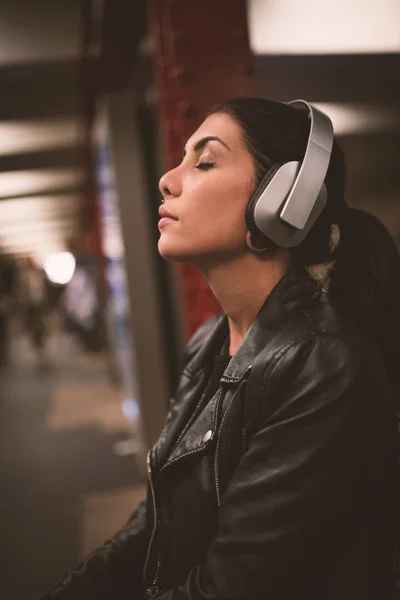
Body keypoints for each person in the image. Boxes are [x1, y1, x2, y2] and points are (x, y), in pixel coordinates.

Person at [43, 98, 400, 599]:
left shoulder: (321, 365)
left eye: (204, 161)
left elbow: (233, 587)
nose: (169, 178)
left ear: (283, 203)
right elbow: (155, 520)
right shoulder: (210, 341)